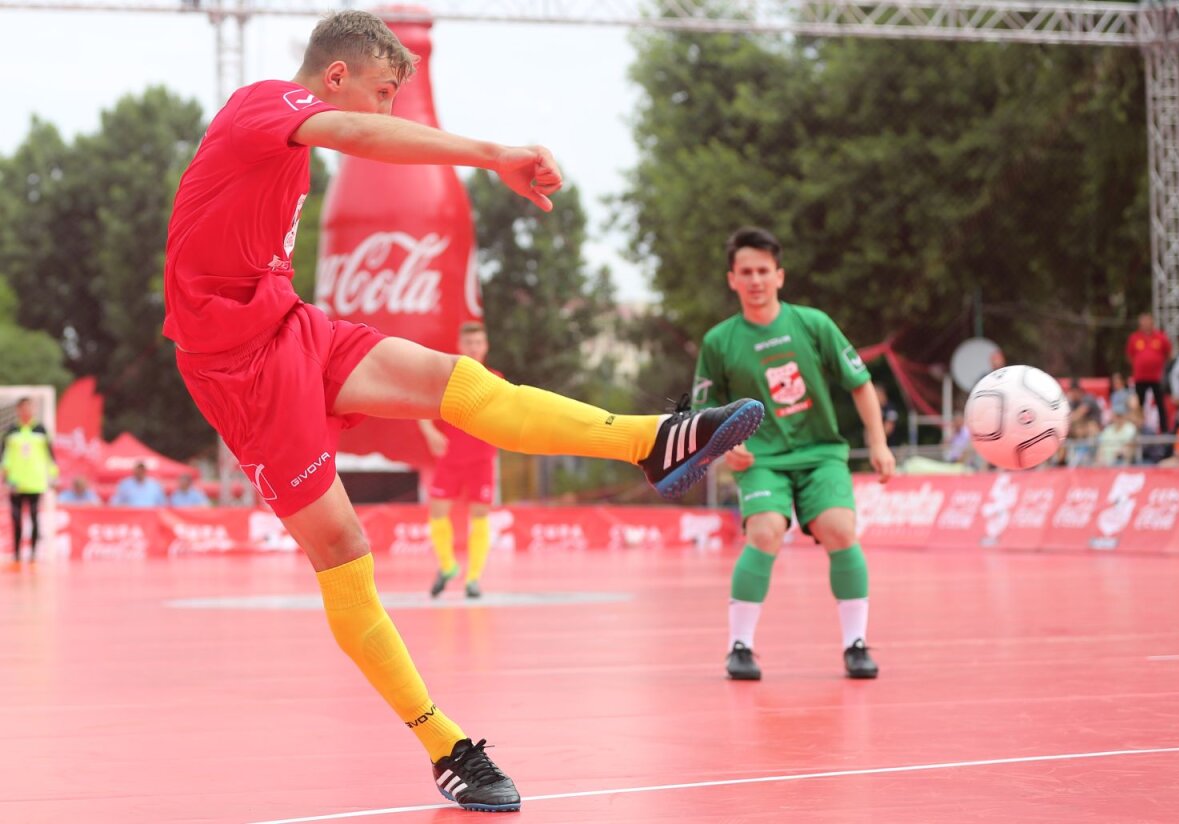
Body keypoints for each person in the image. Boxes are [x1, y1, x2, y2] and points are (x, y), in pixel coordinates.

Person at [161, 11, 763, 813]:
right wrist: (492, 154)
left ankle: (650, 443)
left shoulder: (290, 137)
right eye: (382, 94)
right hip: (237, 367)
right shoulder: (263, 105)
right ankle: (444, 745)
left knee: (460, 379)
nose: (384, 113)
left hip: (288, 323)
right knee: (342, 546)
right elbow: (366, 139)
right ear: (335, 79)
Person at [691, 226, 895, 683]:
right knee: (765, 532)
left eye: (764, 271)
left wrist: (878, 443)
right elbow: (704, 413)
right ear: (733, 280)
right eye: (746, 272)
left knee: (840, 528)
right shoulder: (718, 342)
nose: (756, 279)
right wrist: (726, 448)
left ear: (779, 276)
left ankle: (855, 645)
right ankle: (739, 648)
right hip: (761, 458)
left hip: (821, 453)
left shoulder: (814, 324)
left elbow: (860, 384)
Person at [419, 322, 500, 599]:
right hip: (451, 458)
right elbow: (420, 403)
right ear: (460, 347)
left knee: (479, 516)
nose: (475, 348)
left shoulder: (495, 379)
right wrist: (429, 431)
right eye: (470, 343)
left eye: (479, 343)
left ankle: (473, 579)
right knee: (437, 513)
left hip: (482, 460)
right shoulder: (449, 377)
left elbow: (510, 415)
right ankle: (447, 566)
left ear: (486, 346)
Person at [1, 397, 58, 560]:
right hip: (15, 482)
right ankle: (17, 554)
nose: (26, 411)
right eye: (23, 408)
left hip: (35, 481)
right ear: (18, 410)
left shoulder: (40, 429)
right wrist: (4, 479)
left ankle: (33, 553)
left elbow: (50, 456)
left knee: (34, 517)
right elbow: (4, 457)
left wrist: (53, 477)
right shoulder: (11, 430)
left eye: (29, 407)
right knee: (16, 518)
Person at [1126, 312, 1172, 434]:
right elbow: (1130, 355)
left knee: (1160, 404)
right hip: (1140, 377)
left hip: (1157, 377)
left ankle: (1164, 430)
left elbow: (1168, 353)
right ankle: (1138, 429)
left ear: (1152, 323)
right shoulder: (1134, 338)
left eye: (1148, 322)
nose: (1146, 324)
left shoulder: (1161, 337)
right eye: (1143, 322)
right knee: (1139, 405)